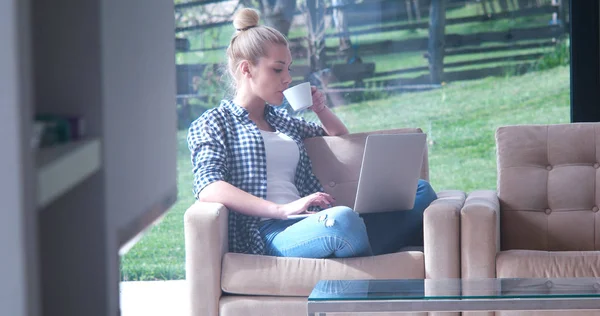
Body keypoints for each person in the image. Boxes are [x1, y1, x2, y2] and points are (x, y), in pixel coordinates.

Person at [187, 8, 437, 258]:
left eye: (289, 69)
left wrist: (320, 109)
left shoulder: (283, 121)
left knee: (421, 190)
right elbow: (209, 186)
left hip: (312, 222)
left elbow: (338, 136)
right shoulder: (213, 123)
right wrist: (283, 209)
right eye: (278, 69)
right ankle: (368, 248)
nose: (287, 78)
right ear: (246, 69)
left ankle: (356, 249)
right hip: (270, 232)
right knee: (343, 220)